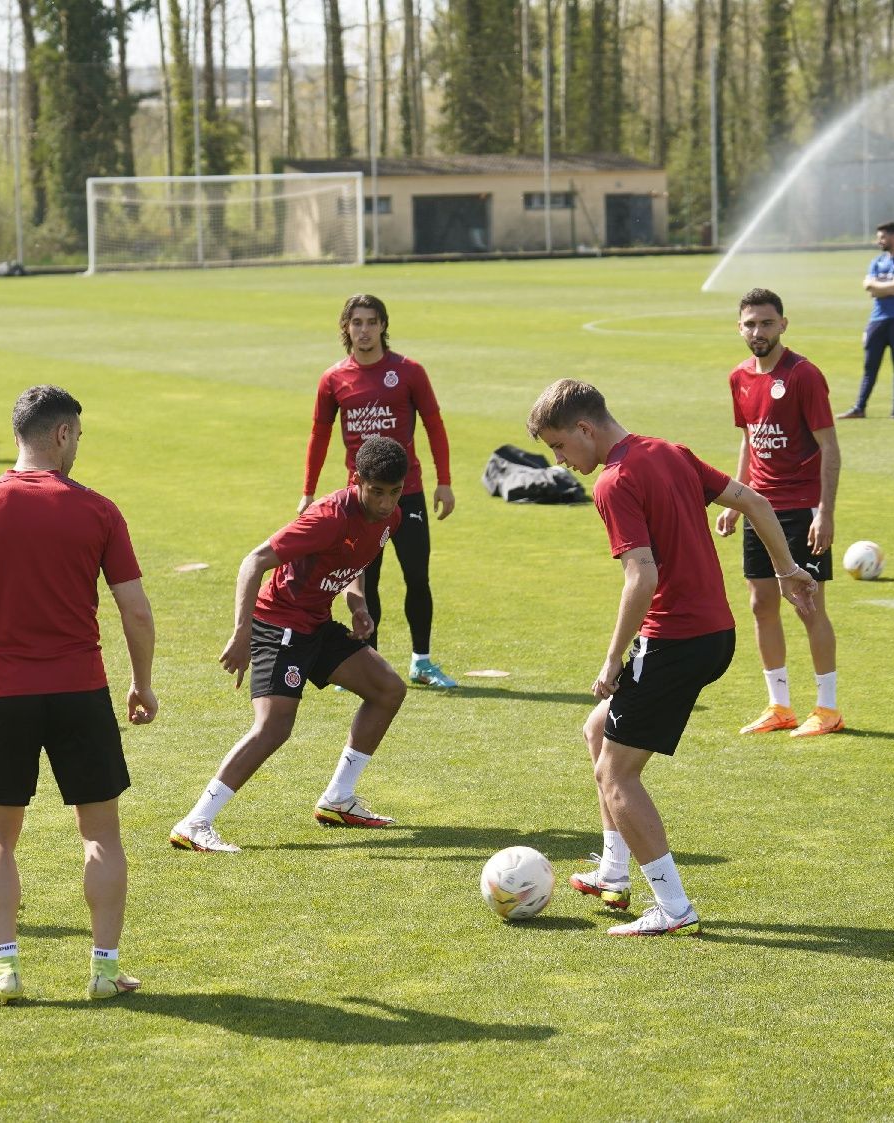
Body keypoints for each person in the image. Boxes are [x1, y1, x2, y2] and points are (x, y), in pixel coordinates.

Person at [526, 379, 816, 936]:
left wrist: (612, 661)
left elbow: (642, 574)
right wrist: (786, 569)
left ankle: (674, 907)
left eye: (559, 446)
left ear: (585, 429)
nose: (560, 461)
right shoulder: (669, 451)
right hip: (715, 636)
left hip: (675, 641)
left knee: (617, 774)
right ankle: (614, 871)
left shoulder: (613, 482)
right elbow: (753, 500)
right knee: (597, 731)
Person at [0, 385, 158, 1003]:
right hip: (81, 690)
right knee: (101, 834)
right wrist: (142, 683)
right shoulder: (98, 510)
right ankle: (106, 971)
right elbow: (136, 613)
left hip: (3, 693)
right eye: (79, 437)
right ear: (61, 435)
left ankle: (5, 969)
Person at [172, 434, 411, 853]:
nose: (385, 503)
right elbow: (255, 561)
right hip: (277, 623)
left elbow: (358, 560)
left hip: (316, 623)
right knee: (274, 726)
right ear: (357, 480)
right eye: (376, 492)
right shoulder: (328, 516)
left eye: (394, 493)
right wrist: (242, 632)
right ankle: (196, 822)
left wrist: (358, 604)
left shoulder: (389, 519)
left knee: (388, 688)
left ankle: (338, 799)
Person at [301, 294, 458, 689]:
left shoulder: (408, 372)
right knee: (363, 581)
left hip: (408, 493)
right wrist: (308, 491)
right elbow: (319, 436)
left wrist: (445, 481)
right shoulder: (334, 378)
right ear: (346, 327)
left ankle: (421, 661)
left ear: (384, 326)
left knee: (416, 577)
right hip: (360, 499)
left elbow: (434, 425)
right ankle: (363, 662)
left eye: (372, 321)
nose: (365, 330)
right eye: (357, 322)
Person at [719, 289, 845, 738]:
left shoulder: (804, 375)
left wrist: (824, 513)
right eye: (750, 324)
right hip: (759, 508)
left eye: (767, 323)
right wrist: (737, 501)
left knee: (808, 606)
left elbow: (830, 448)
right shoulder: (739, 377)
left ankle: (828, 709)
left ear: (783, 325)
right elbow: (749, 439)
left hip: (801, 508)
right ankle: (779, 706)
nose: (758, 332)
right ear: (740, 328)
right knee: (760, 605)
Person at [838, 222, 894, 420]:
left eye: (882, 237)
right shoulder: (877, 261)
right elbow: (868, 286)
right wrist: (888, 287)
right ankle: (859, 407)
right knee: (869, 366)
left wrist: (880, 287)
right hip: (877, 320)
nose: (878, 241)